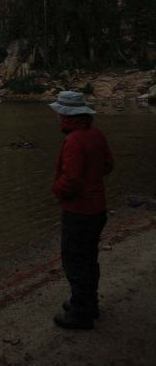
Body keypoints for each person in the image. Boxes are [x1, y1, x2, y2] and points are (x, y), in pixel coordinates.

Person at [49, 90, 113, 330]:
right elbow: (108, 164)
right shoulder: (96, 133)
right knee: (88, 259)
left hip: (79, 211)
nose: (57, 116)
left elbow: (71, 181)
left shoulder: (73, 140)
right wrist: (93, 180)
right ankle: (88, 303)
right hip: (97, 209)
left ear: (66, 115)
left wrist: (56, 189)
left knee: (75, 260)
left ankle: (80, 314)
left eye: (59, 113)